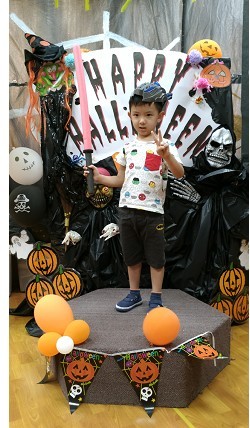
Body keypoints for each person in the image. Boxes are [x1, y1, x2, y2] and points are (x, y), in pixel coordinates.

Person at [84, 82, 185, 312]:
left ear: (160, 116)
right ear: (129, 115)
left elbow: (179, 174)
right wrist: (99, 178)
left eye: (148, 115)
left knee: (156, 258)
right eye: (137, 115)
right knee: (131, 257)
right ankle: (134, 294)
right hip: (127, 211)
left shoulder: (166, 147)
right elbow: (120, 180)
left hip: (153, 213)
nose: (142, 121)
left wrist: (166, 156)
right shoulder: (127, 148)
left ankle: (156, 297)